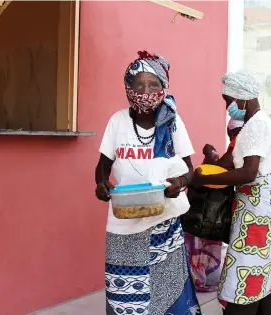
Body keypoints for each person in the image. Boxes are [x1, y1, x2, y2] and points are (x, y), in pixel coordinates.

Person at [94, 51, 201, 314]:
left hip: (163, 222)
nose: (146, 90)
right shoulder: (117, 121)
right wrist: (100, 184)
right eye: (138, 84)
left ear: (164, 88)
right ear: (127, 87)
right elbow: (103, 166)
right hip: (123, 223)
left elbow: (191, 169)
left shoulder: (173, 123)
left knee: (169, 291)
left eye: (154, 84)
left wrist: (180, 182)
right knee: (125, 296)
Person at [192, 71, 271, 315]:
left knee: (244, 275)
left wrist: (206, 179)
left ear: (242, 98)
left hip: (260, 211)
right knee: (259, 273)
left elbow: (248, 173)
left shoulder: (256, 124)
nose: (228, 106)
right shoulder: (252, 124)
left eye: (228, 100)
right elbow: (227, 164)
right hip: (259, 208)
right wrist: (195, 176)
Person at [185, 119, 244, 292]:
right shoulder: (246, 142)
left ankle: (202, 278)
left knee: (200, 244)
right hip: (208, 217)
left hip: (205, 217)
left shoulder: (241, 142)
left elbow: (217, 168)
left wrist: (210, 157)